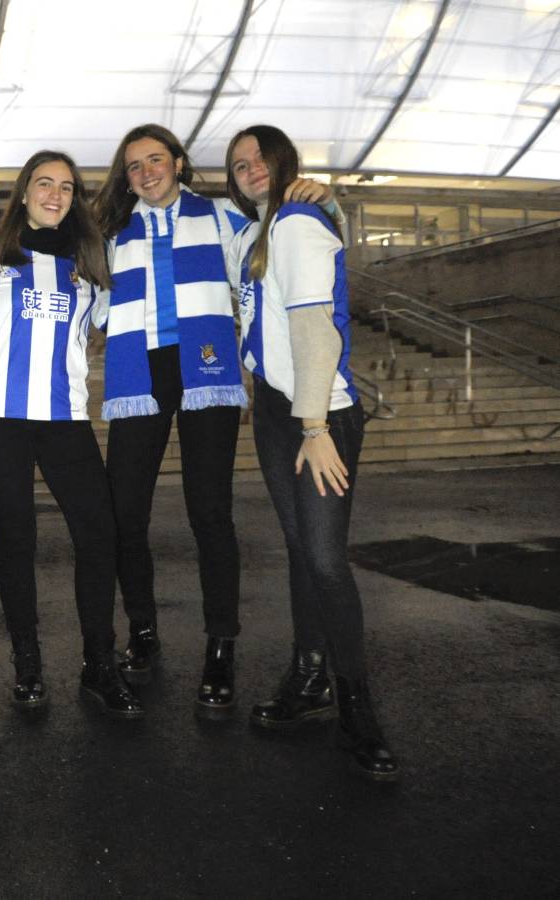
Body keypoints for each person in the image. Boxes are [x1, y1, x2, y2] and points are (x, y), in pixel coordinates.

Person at [91, 124, 338, 717]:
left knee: (209, 512)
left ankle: (219, 648)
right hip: (138, 372)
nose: (146, 173)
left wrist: (327, 201)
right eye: (133, 166)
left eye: (156, 160)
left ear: (178, 162)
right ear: (125, 178)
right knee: (126, 513)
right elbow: (80, 289)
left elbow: (285, 244)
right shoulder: (109, 233)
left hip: (207, 369)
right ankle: (143, 632)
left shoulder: (226, 216)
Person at [225, 124, 399, 781]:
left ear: (282, 161)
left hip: (315, 412)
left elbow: (313, 329)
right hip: (278, 409)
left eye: (259, 159)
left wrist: (313, 426)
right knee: (301, 550)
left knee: (325, 558)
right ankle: (308, 677)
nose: (249, 170)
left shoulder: (294, 222)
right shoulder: (253, 234)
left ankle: (358, 709)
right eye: (238, 165)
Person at [0, 149, 143, 718]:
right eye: (43, 184)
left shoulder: (89, 266)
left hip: (66, 419)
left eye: (66, 187)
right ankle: (28, 664)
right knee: (15, 542)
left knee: (99, 535)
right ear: (23, 193)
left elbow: (110, 324)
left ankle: (100, 661)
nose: (55, 194)